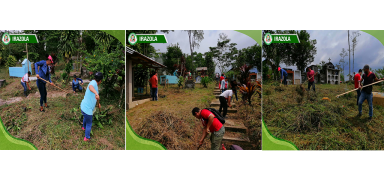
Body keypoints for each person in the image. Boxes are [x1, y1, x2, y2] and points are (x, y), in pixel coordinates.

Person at [80, 72, 103, 141]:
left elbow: (94, 97)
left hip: (83, 107)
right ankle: (86, 137)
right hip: (87, 109)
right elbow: (90, 87)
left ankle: (83, 127)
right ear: (100, 80)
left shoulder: (93, 82)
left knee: (85, 117)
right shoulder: (93, 83)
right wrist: (96, 93)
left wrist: (98, 104)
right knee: (89, 123)